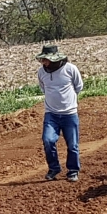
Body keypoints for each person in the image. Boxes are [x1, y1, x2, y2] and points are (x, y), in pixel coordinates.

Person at [37, 44, 84, 182]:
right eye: (42, 59)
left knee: (73, 145)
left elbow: (78, 86)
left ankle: (73, 171)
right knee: (48, 140)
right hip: (51, 114)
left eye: (45, 59)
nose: (43, 62)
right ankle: (54, 168)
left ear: (54, 59)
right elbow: (43, 88)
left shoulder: (70, 69)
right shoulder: (41, 72)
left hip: (69, 114)